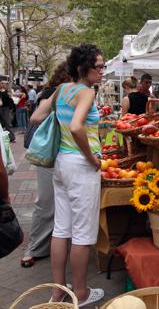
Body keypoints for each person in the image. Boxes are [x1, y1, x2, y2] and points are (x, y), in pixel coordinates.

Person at [30, 43, 104, 306]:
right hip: (81, 167)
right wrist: (92, 159)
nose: (102, 71)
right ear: (84, 68)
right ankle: (81, 294)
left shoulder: (61, 89)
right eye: (99, 67)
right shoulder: (85, 92)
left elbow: (36, 116)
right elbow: (76, 127)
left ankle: (58, 291)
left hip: (61, 164)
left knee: (61, 229)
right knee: (83, 234)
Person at [21, 62, 71, 268]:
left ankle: (53, 243)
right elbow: (36, 118)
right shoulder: (55, 92)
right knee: (46, 201)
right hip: (51, 152)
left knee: (56, 201)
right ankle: (34, 248)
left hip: (63, 153)